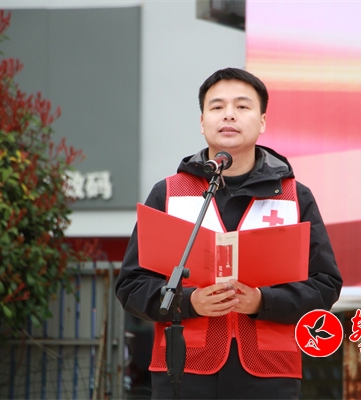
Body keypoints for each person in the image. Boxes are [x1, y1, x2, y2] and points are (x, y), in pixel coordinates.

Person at [115, 67, 342, 399]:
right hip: (183, 371)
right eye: (217, 106)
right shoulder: (169, 193)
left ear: (262, 122)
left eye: (242, 106)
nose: (229, 115)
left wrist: (264, 301)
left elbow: (325, 285)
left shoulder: (294, 196)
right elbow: (131, 285)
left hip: (269, 375)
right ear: (202, 121)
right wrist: (189, 301)